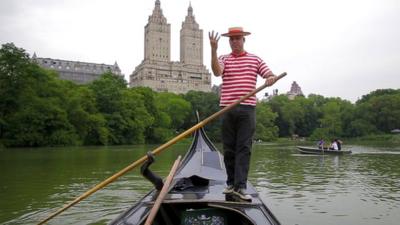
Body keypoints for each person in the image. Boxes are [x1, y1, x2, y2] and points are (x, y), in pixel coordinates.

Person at [209, 27, 279, 201]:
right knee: (229, 148)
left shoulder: (254, 59)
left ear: (243, 40)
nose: (234, 41)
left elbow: (269, 74)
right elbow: (217, 72)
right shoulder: (223, 58)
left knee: (244, 148)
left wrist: (271, 78)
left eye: (237, 38)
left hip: (247, 109)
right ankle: (231, 183)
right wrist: (213, 49)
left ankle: (241, 187)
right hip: (227, 108)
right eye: (231, 39)